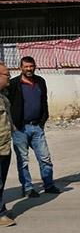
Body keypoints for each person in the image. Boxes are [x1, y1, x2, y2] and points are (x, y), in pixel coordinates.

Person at [7, 56, 60, 198]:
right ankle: (28, 188)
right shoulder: (13, 84)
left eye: (31, 66)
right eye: (26, 67)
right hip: (20, 129)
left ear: (35, 66)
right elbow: (7, 105)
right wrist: (12, 124)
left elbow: (44, 102)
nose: (29, 69)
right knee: (23, 161)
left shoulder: (40, 82)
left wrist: (43, 121)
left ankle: (49, 185)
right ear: (21, 68)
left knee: (45, 158)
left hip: (37, 127)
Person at [0, 62, 16, 227]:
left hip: (4, 146)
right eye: (7, 75)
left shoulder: (3, 96)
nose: (9, 77)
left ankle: (1, 208)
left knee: (2, 181)